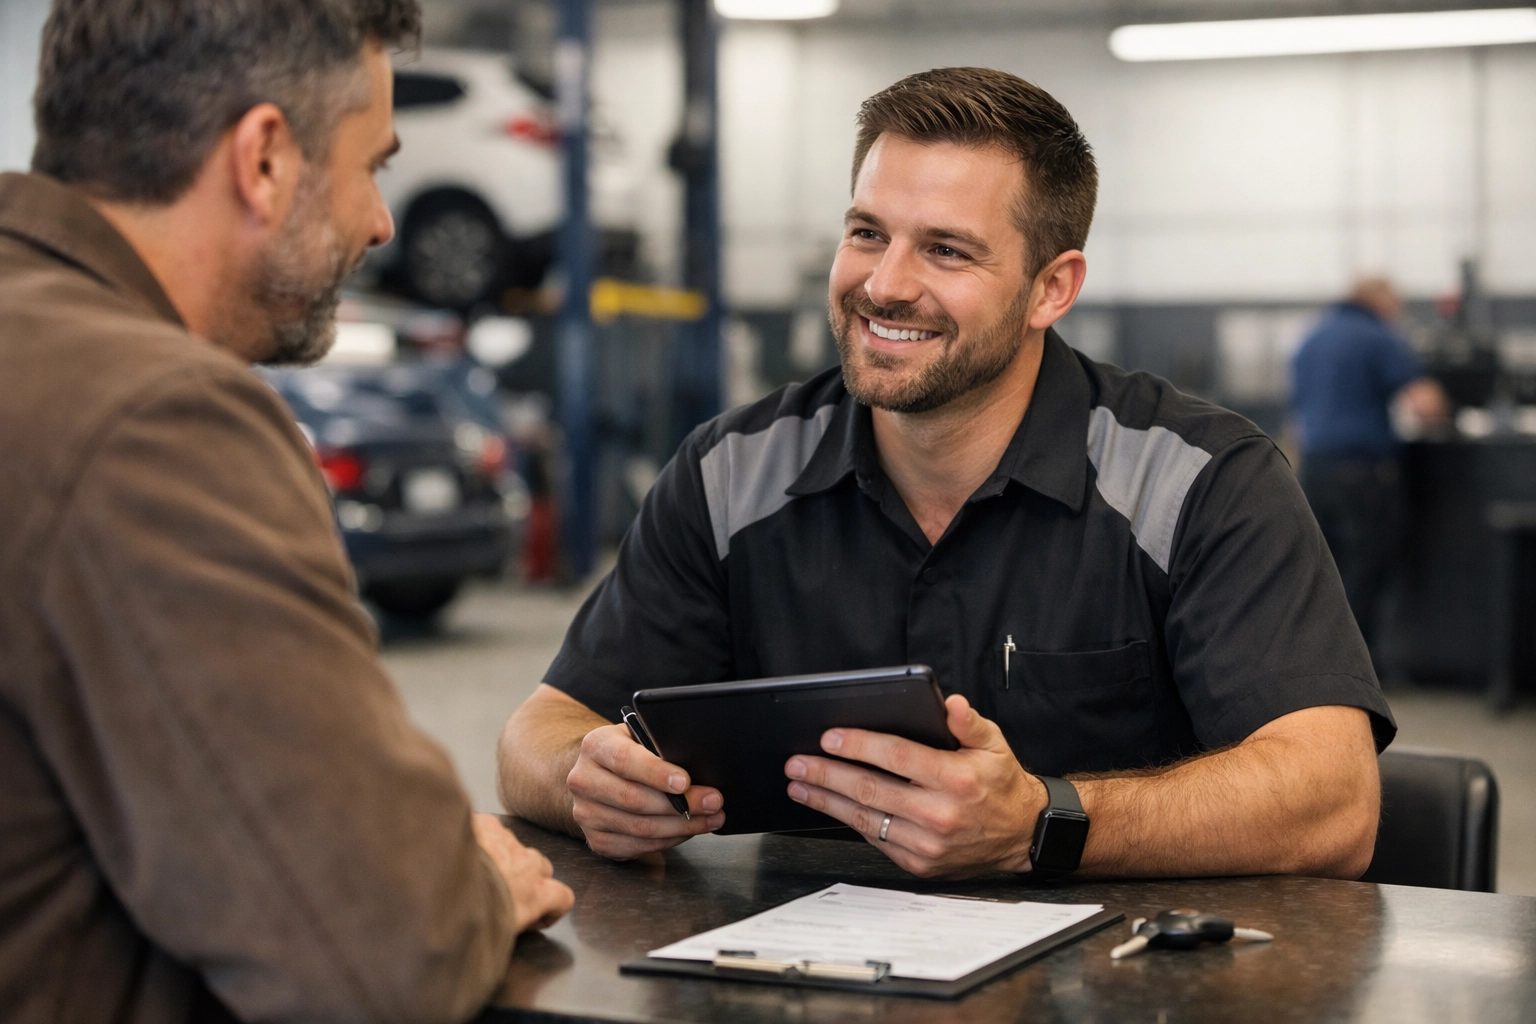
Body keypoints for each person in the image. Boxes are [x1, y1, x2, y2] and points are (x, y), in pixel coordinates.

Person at [498, 67, 1394, 882]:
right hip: (807, 981)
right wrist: (590, 778)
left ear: (1052, 287)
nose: (885, 284)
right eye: (866, 232)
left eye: (946, 250)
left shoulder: (1199, 481)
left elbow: (1334, 800)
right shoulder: (730, 474)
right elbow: (536, 734)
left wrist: (1042, 820)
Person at [0, 2, 571, 1022]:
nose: (382, 222)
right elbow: (379, 955)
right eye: (373, 166)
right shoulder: (151, 421)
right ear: (263, 158)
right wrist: (475, 887)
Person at [1290, 277, 1450, 673]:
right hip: (1364, 474)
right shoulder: (1378, 336)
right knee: (1366, 571)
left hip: (1313, 471)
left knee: (1322, 573)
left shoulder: (1311, 339)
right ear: (1381, 301)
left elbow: (1296, 418)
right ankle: (1359, 672)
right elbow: (1426, 404)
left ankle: (1318, 667)